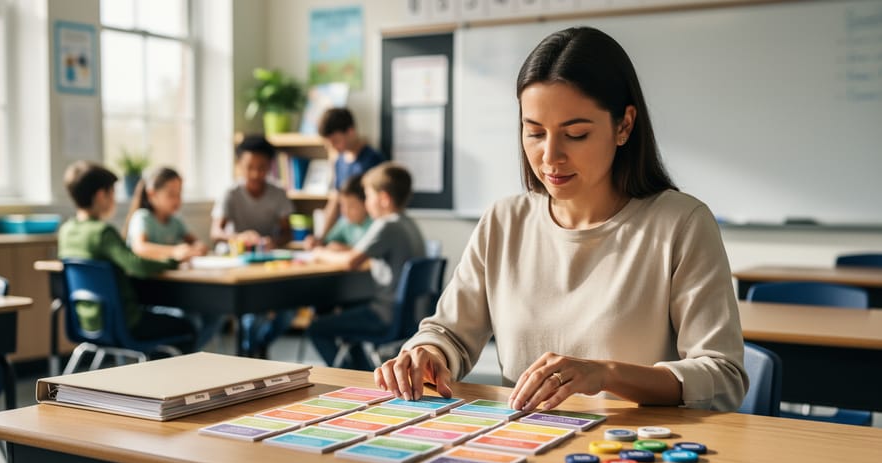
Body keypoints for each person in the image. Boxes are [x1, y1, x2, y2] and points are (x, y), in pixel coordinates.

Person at [374, 27, 747, 412]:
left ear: (624, 126)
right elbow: (448, 331)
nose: (551, 157)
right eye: (534, 132)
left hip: (632, 453)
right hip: (522, 445)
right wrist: (427, 353)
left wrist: (605, 375)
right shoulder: (505, 221)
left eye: (577, 134)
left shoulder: (682, 224)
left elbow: (722, 376)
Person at [58, 160, 196, 352]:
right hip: (123, 322)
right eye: (112, 193)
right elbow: (136, 265)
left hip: (86, 320)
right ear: (100, 195)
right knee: (188, 326)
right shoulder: (103, 232)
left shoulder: (66, 230)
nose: (114, 199)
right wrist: (174, 260)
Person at [307, 162, 426, 371]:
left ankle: (348, 377)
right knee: (349, 313)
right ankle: (362, 374)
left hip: (385, 316)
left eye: (368, 196)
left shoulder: (386, 224)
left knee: (317, 328)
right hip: (411, 316)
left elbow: (351, 261)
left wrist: (319, 252)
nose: (367, 202)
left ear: (384, 199)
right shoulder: (409, 223)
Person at [210, 135, 295, 356]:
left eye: (262, 167)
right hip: (238, 264)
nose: (256, 173)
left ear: (270, 167)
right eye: (249, 167)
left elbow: (287, 232)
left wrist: (273, 241)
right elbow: (215, 232)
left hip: (267, 262)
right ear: (239, 166)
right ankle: (249, 352)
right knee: (250, 313)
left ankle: (258, 345)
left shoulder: (277, 193)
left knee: (289, 307)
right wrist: (238, 237)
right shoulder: (231, 193)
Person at [122, 166, 223, 349]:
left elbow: (198, 244)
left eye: (179, 194)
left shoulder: (176, 221)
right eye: (171, 194)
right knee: (189, 318)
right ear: (152, 194)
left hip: (176, 289)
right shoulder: (142, 218)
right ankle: (179, 356)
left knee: (216, 313)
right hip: (149, 292)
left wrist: (197, 247)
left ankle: (188, 354)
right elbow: (140, 247)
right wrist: (175, 251)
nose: (177, 200)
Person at [317, 107, 384, 240]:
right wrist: (321, 237)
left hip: (365, 233)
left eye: (336, 141)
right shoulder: (339, 161)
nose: (334, 147)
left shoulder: (373, 160)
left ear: (351, 132)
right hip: (345, 230)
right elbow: (336, 200)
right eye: (329, 144)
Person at [303, 173, 373, 251]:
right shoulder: (345, 222)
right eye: (342, 205)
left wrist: (347, 249)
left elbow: (369, 253)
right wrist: (316, 242)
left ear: (366, 204)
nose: (345, 211)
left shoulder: (374, 224)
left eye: (351, 206)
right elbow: (326, 242)